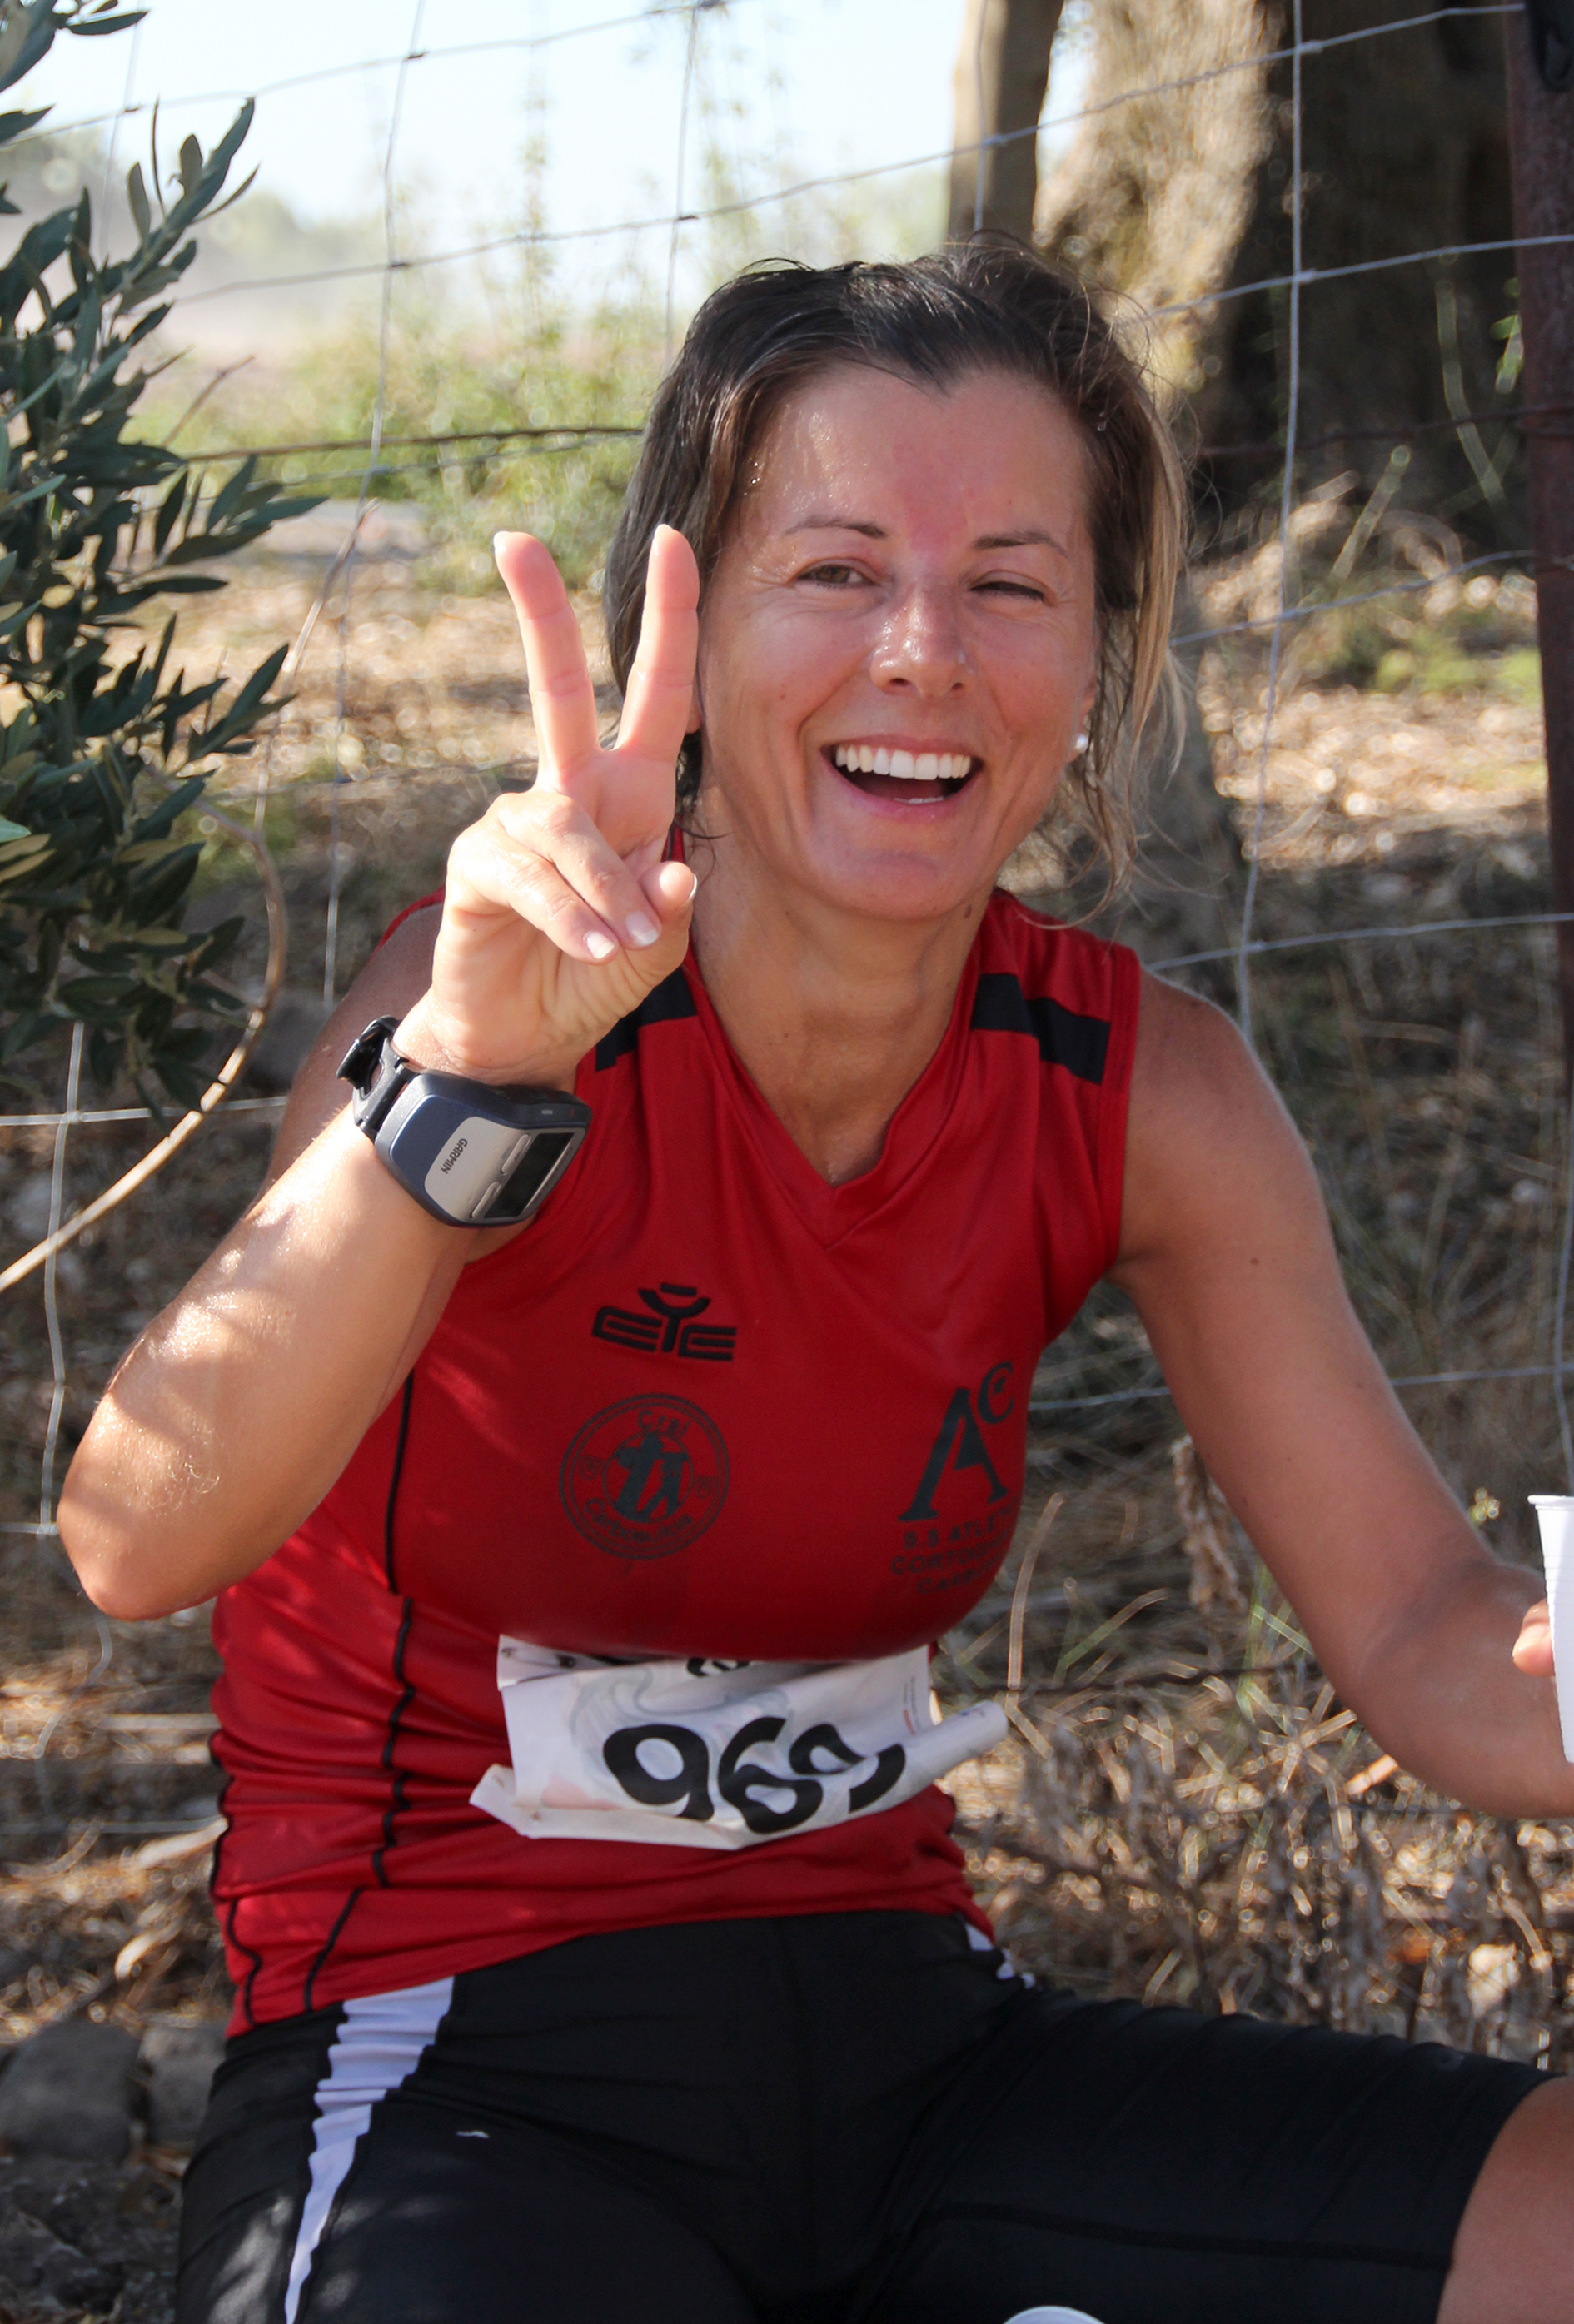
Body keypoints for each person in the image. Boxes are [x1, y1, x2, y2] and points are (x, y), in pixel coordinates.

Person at [56, 245, 1574, 2324]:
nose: (924, 651)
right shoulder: (490, 1005)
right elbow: (134, 1539)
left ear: (1102, 652)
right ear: (686, 631)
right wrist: (468, 1089)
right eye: (837, 571)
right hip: (450, 2063)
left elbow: (1424, 1629)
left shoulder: (1144, 1088)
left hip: (919, 2048)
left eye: (1012, 585)